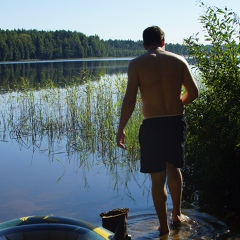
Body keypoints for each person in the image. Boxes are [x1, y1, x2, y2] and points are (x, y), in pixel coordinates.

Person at [116, 26, 199, 236]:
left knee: (157, 177)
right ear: (164, 41)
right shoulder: (179, 61)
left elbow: (130, 100)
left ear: (144, 45)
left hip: (152, 125)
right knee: (174, 168)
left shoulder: (136, 64)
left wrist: (121, 128)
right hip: (175, 122)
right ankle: (177, 214)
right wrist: (179, 103)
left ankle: (164, 226)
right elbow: (194, 92)